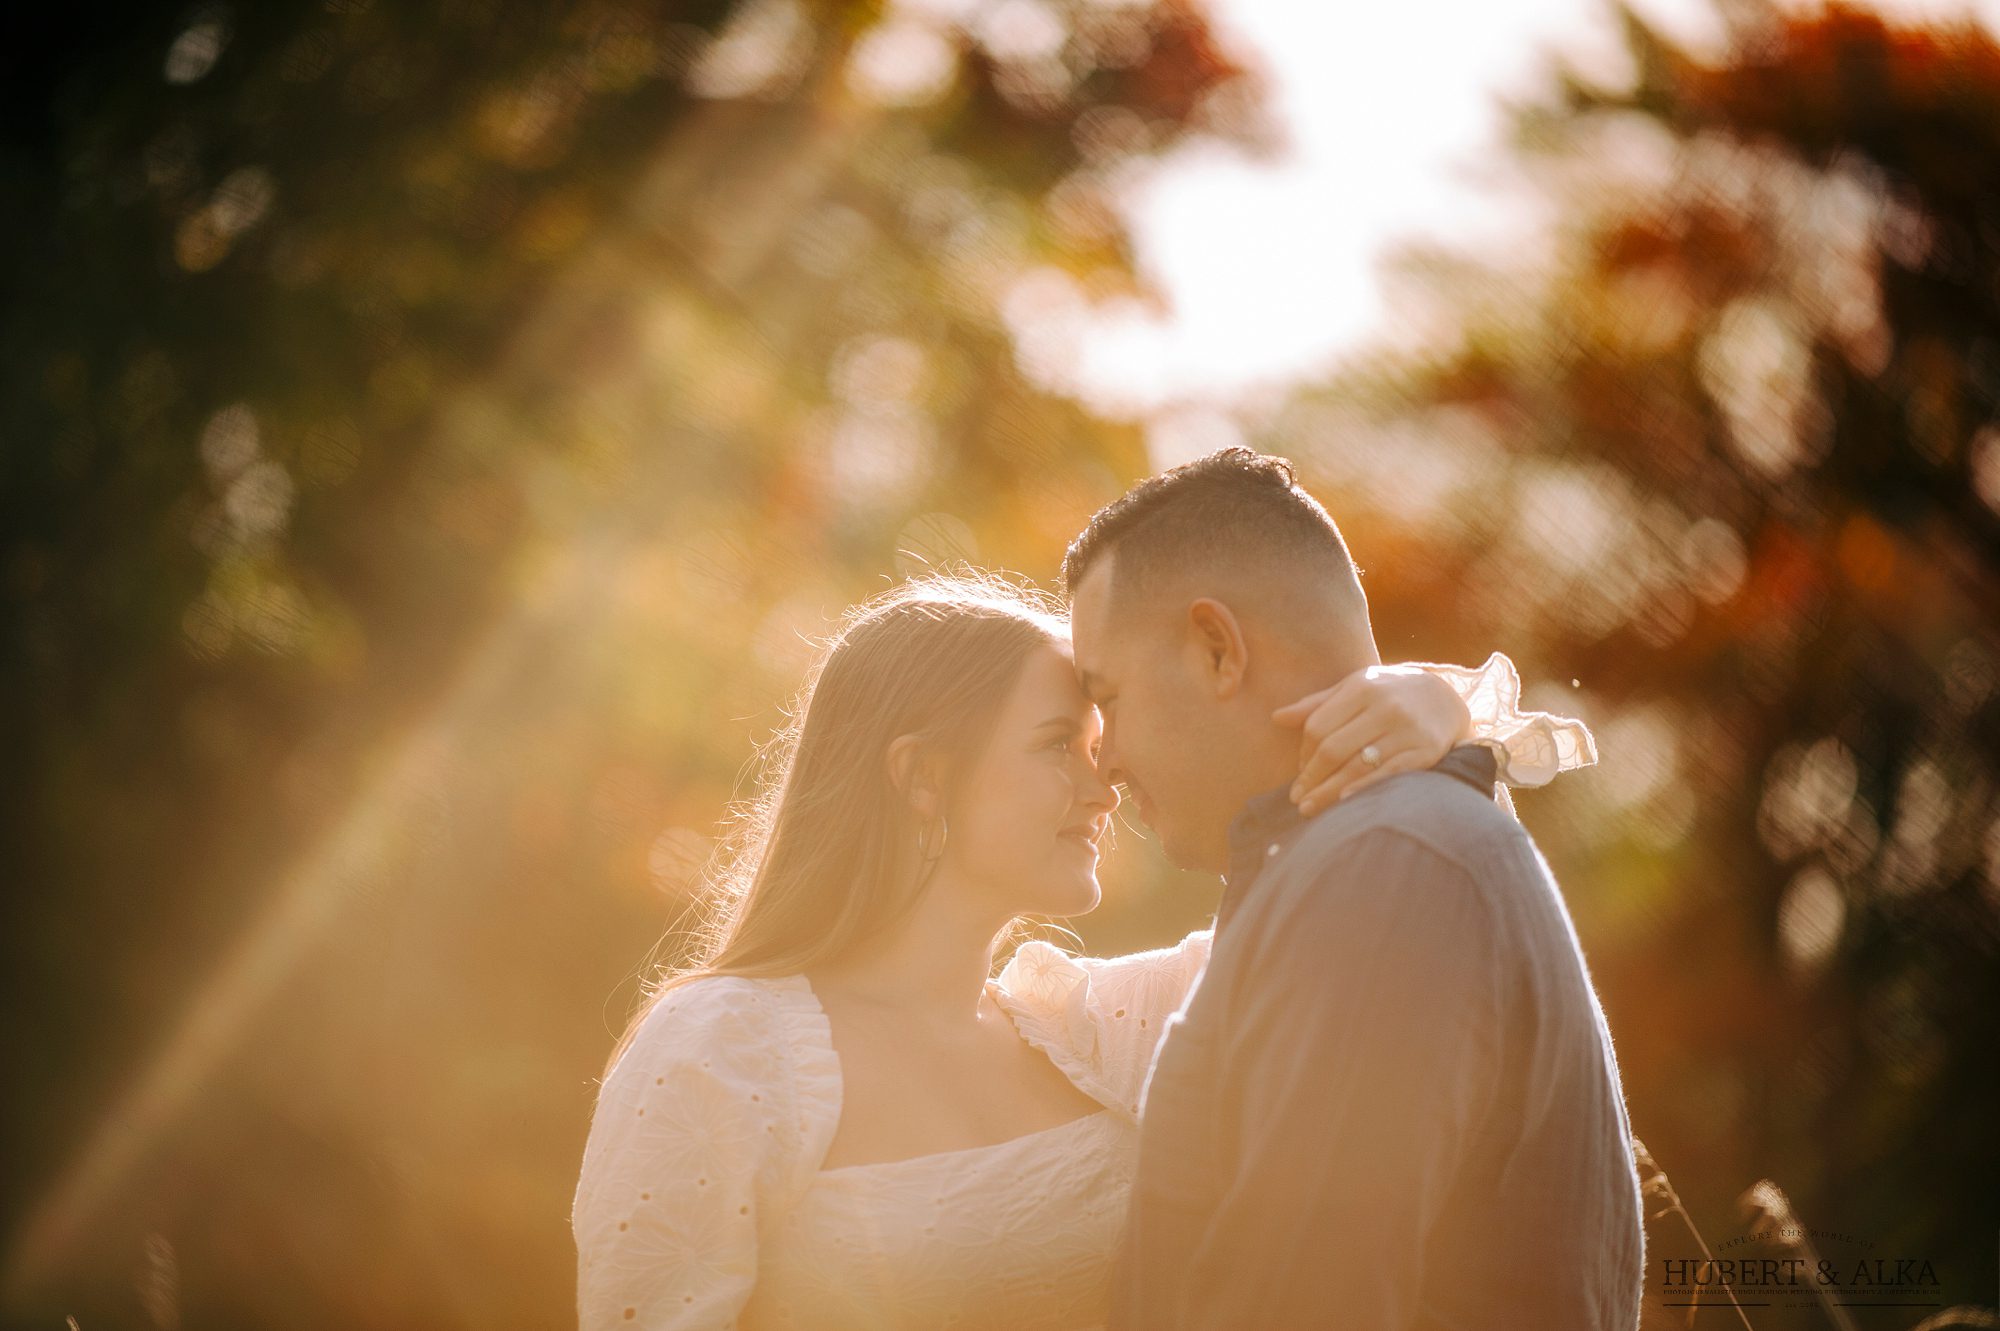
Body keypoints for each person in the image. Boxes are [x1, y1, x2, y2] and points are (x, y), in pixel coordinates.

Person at [571, 564, 1597, 1330]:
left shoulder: (1104, 1022)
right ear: (921, 777)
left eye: (1099, 747)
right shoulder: (722, 1049)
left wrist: (1436, 699)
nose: (1106, 785)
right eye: (1056, 745)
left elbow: (1399, 912)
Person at [1058, 448, 1644, 1330]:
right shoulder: (1368, 856)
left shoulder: (1388, 870)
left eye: (1110, 697)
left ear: (1217, 648)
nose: (1102, 755)